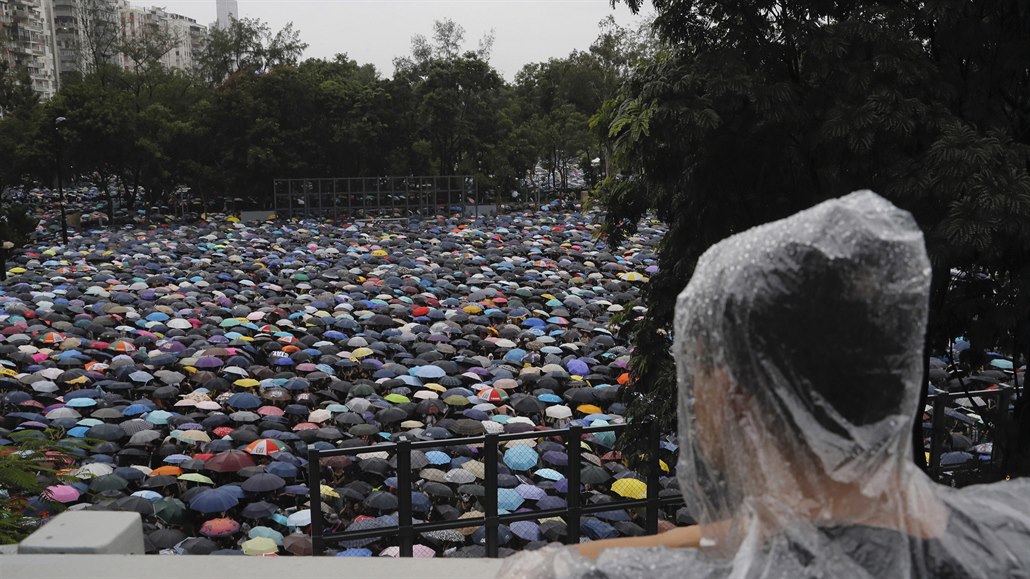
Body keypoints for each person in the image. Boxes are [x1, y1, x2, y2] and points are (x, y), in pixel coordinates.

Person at [500, 190, 1030, 578]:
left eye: (697, 364)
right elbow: (804, 529)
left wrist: (558, 566)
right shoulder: (1003, 530)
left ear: (736, 390)